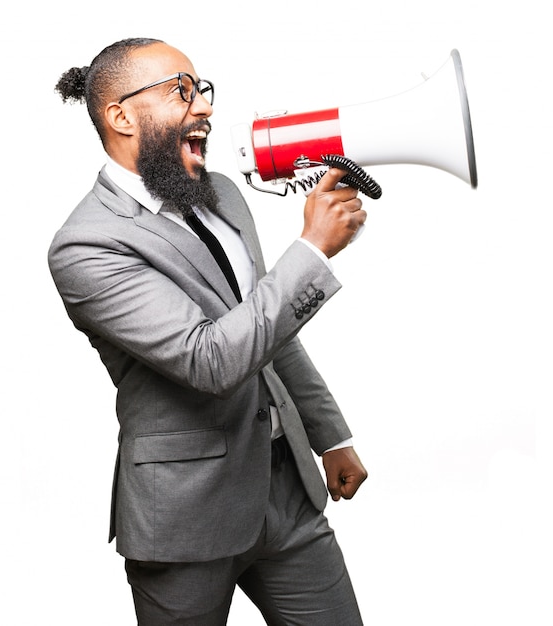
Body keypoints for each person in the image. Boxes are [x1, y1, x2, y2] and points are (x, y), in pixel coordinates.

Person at [48, 37, 368, 625]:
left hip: (284, 489)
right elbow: (210, 360)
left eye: (203, 90)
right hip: (185, 517)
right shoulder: (86, 246)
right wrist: (313, 251)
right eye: (182, 92)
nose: (205, 108)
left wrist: (330, 434)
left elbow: (269, 326)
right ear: (121, 115)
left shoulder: (221, 193)